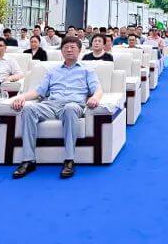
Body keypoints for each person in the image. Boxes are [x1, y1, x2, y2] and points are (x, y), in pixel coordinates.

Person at [10, 36, 102, 180]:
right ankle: (28, 160)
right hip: (51, 105)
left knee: (70, 108)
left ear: (79, 50)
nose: (69, 50)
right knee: (28, 109)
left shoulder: (87, 70)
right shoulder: (52, 71)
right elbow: (38, 92)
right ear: (62, 51)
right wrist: (22, 97)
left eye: (72, 47)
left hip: (73, 105)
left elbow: (98, 89)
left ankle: (69, 160)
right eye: (66, 47)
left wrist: (95, 98)